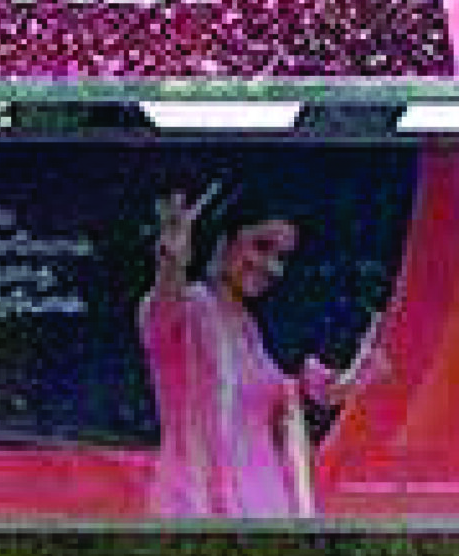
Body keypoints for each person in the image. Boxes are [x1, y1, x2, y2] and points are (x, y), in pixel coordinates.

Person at [138, 183, 389, 520]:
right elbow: (159, 317)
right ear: (225, 240)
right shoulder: (193, 308)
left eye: (282, 258)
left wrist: (361, 368)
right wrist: (171, 265)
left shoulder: (263, 329)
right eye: (261, 246)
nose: (271, 267)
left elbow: (323, 393)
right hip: (197, 506)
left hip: (269, 508)